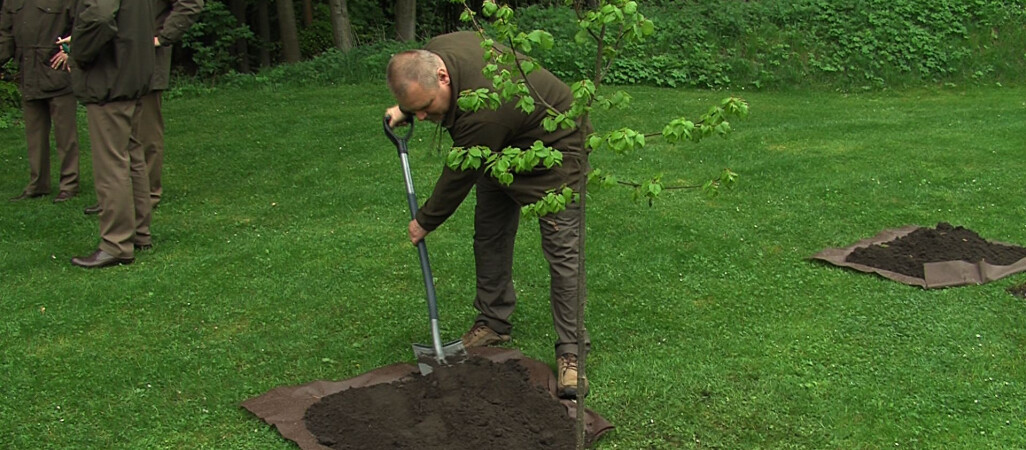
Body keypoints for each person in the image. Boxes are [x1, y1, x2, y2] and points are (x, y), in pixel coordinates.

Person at [384, 31, 591, 398]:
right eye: (417, 109)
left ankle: (572, 354)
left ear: (444, 77)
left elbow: (458, 175)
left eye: (426, 106)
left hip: (555, 149)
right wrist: (406, 106)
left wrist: (426, 220)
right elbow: (430, 96)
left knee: (563, 252)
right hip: (502, 148)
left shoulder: (484, 114)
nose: (423, 115)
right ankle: (494, 321)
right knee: (490, 233)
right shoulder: (435, 55)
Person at [83, 0, 204, 216]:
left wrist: (163, 38)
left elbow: (191, 3)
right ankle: (117, 198)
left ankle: (147, 196)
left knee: (145, 132)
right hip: (117, 64)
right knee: (118, 135)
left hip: (146, 62)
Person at [68, 0, 155, 268]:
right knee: (132, 154)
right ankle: (139, 232)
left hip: (110, 78)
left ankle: (116, 243)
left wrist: (78, 53)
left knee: (111, 163)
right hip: (131, 74)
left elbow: (99, 16)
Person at [0, 0, 81, 203]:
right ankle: (38, 184)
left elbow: (84, 25)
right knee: (34, 136)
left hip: (58, 74)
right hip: (29, 75)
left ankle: (69, 185)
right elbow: (5, 35)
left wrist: (70, 53)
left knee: (65, 135)